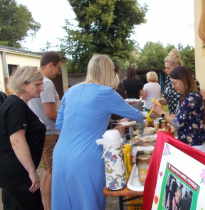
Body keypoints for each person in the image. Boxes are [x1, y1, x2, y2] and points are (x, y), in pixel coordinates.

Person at [51, 54, 144, 210]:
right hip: (87, 156)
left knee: (65, 203)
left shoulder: (71, 90)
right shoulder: (106, 92)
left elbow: (60, 124)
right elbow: (136, 115)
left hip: (60, 154)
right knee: (89, 202)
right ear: (109, 72)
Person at [0, 66, 45, 209]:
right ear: (22, 84)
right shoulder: (16, 106)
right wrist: (32, 172)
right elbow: (17, 141)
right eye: (37, 84)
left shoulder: (14, 103)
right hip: (18, 173)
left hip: (11, 171)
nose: (41, 88)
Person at [28, 51, 63, 210]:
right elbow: (50, 113)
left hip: (42, 133)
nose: (59, 72)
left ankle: (48, 206)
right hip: (49, 133)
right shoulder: (46, 82)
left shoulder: (34, 81)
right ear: (51, 64)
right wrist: (68, 118)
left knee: (48, 172)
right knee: (51, 173)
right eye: (58, 68)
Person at [152, 66, 205, 154]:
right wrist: (162, 113)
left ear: (184, 80)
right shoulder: (187, 96)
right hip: (192, 144)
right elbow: (181, 118)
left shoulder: (191, 97)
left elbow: (177, 123)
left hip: (196, 146)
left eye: (174, 83)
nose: (172, 86)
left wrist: (163, 113)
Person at [158, 48, 200, 114]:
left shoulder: (189, 78)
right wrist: (160, 101)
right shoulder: (168, 79)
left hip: (185, 118)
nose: (166, 70)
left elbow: (194, 100)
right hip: (173, 118)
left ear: (177, 67)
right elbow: (166, 99)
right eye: (165, 68)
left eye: (168, 68)